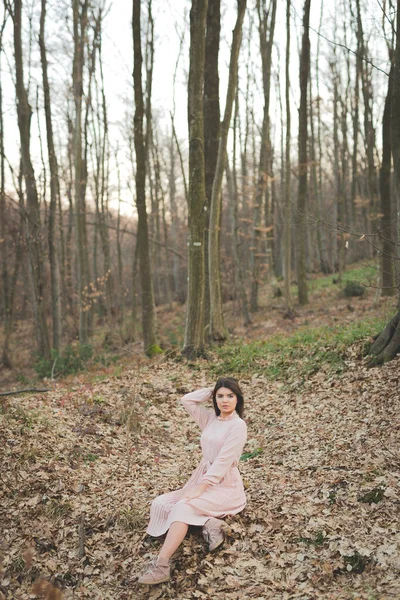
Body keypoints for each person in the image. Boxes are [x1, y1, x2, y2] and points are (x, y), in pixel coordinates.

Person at [138, 377, 247, 585]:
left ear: (237, 399)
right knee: (161, 503)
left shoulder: (238, 426)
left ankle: (161, 565)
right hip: (202, 476)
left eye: (230, 396)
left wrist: (201, 488)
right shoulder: (210, 419)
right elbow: (187, 400)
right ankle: (210, 523)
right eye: (220, 396)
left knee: (183, 506)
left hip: (224, 485)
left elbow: (223, 462)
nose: (225, 400)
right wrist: (212, 389)